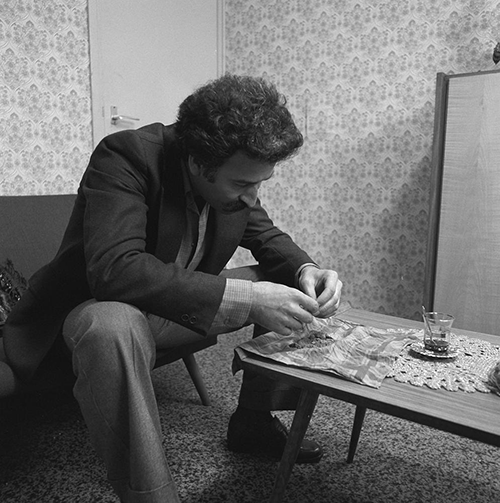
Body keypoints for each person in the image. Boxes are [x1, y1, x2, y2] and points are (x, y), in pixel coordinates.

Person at [3, 74, 343, 502]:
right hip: (86, 317)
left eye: (260, 184)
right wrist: (250, 300)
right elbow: (115, 270)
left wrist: (308, 270)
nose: (252, 197)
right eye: (243, 184)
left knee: (284, 282)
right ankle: (151, 495)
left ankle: (253, 423)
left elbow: (267, 236)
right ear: (199, 163)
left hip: (167, 310)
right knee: (113, 323)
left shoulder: (233, 183)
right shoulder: (125, 156)